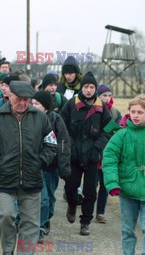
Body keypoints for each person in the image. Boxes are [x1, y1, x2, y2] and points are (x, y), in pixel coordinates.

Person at [0, 81, 57, 255]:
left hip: (32, 177)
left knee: (31, 221)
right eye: (18, 99)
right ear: (9, 96)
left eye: (26, 100)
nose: (22, 103)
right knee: (6, 215)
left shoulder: (40, 117)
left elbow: (51, 143)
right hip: (5, 177)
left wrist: (41, 161)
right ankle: (7, 250)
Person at [60, 72, 111, 236]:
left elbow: (109, 129)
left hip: (92, 156)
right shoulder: (71, 104)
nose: (89, 90)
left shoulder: (101, 107)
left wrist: (97, 147)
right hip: (74, 155)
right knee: (70, 187)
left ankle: (85, 222)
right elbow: (62, 127)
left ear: (95, 89)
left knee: (90, 192)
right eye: (86, 87)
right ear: (81, 88)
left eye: (92, 87)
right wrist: (70, 146)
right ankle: (72, 204)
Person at [102, 95, 145, 255]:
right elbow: (109, 159)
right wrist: (112, 184)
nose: (135, 116)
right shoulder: (121, 135)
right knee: (128, 229)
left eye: (140, 112)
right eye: (133, 112)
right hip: (126, 191)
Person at [31, 91, 71, 242]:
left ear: (46, 107)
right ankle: (39, 227)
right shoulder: (29, 118)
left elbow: (63, 144)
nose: (33, 106)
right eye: (32, 103)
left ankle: (46, 218)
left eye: (37, 104)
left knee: (51, 198)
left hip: (51, 167)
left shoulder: (56, 120)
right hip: (35, 165)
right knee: (42, 199)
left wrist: (64, 166)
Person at [95, 84, 122, 223]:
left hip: (109, 154)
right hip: (95, 153)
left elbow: (119, 130)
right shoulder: (94, 110)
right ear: (98, 97)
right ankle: (88, 206)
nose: (107, 98)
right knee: (93, 185)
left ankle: (100, 212)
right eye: (104, 95)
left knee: (105, 186)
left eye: (109, 95)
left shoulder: (116, 113)